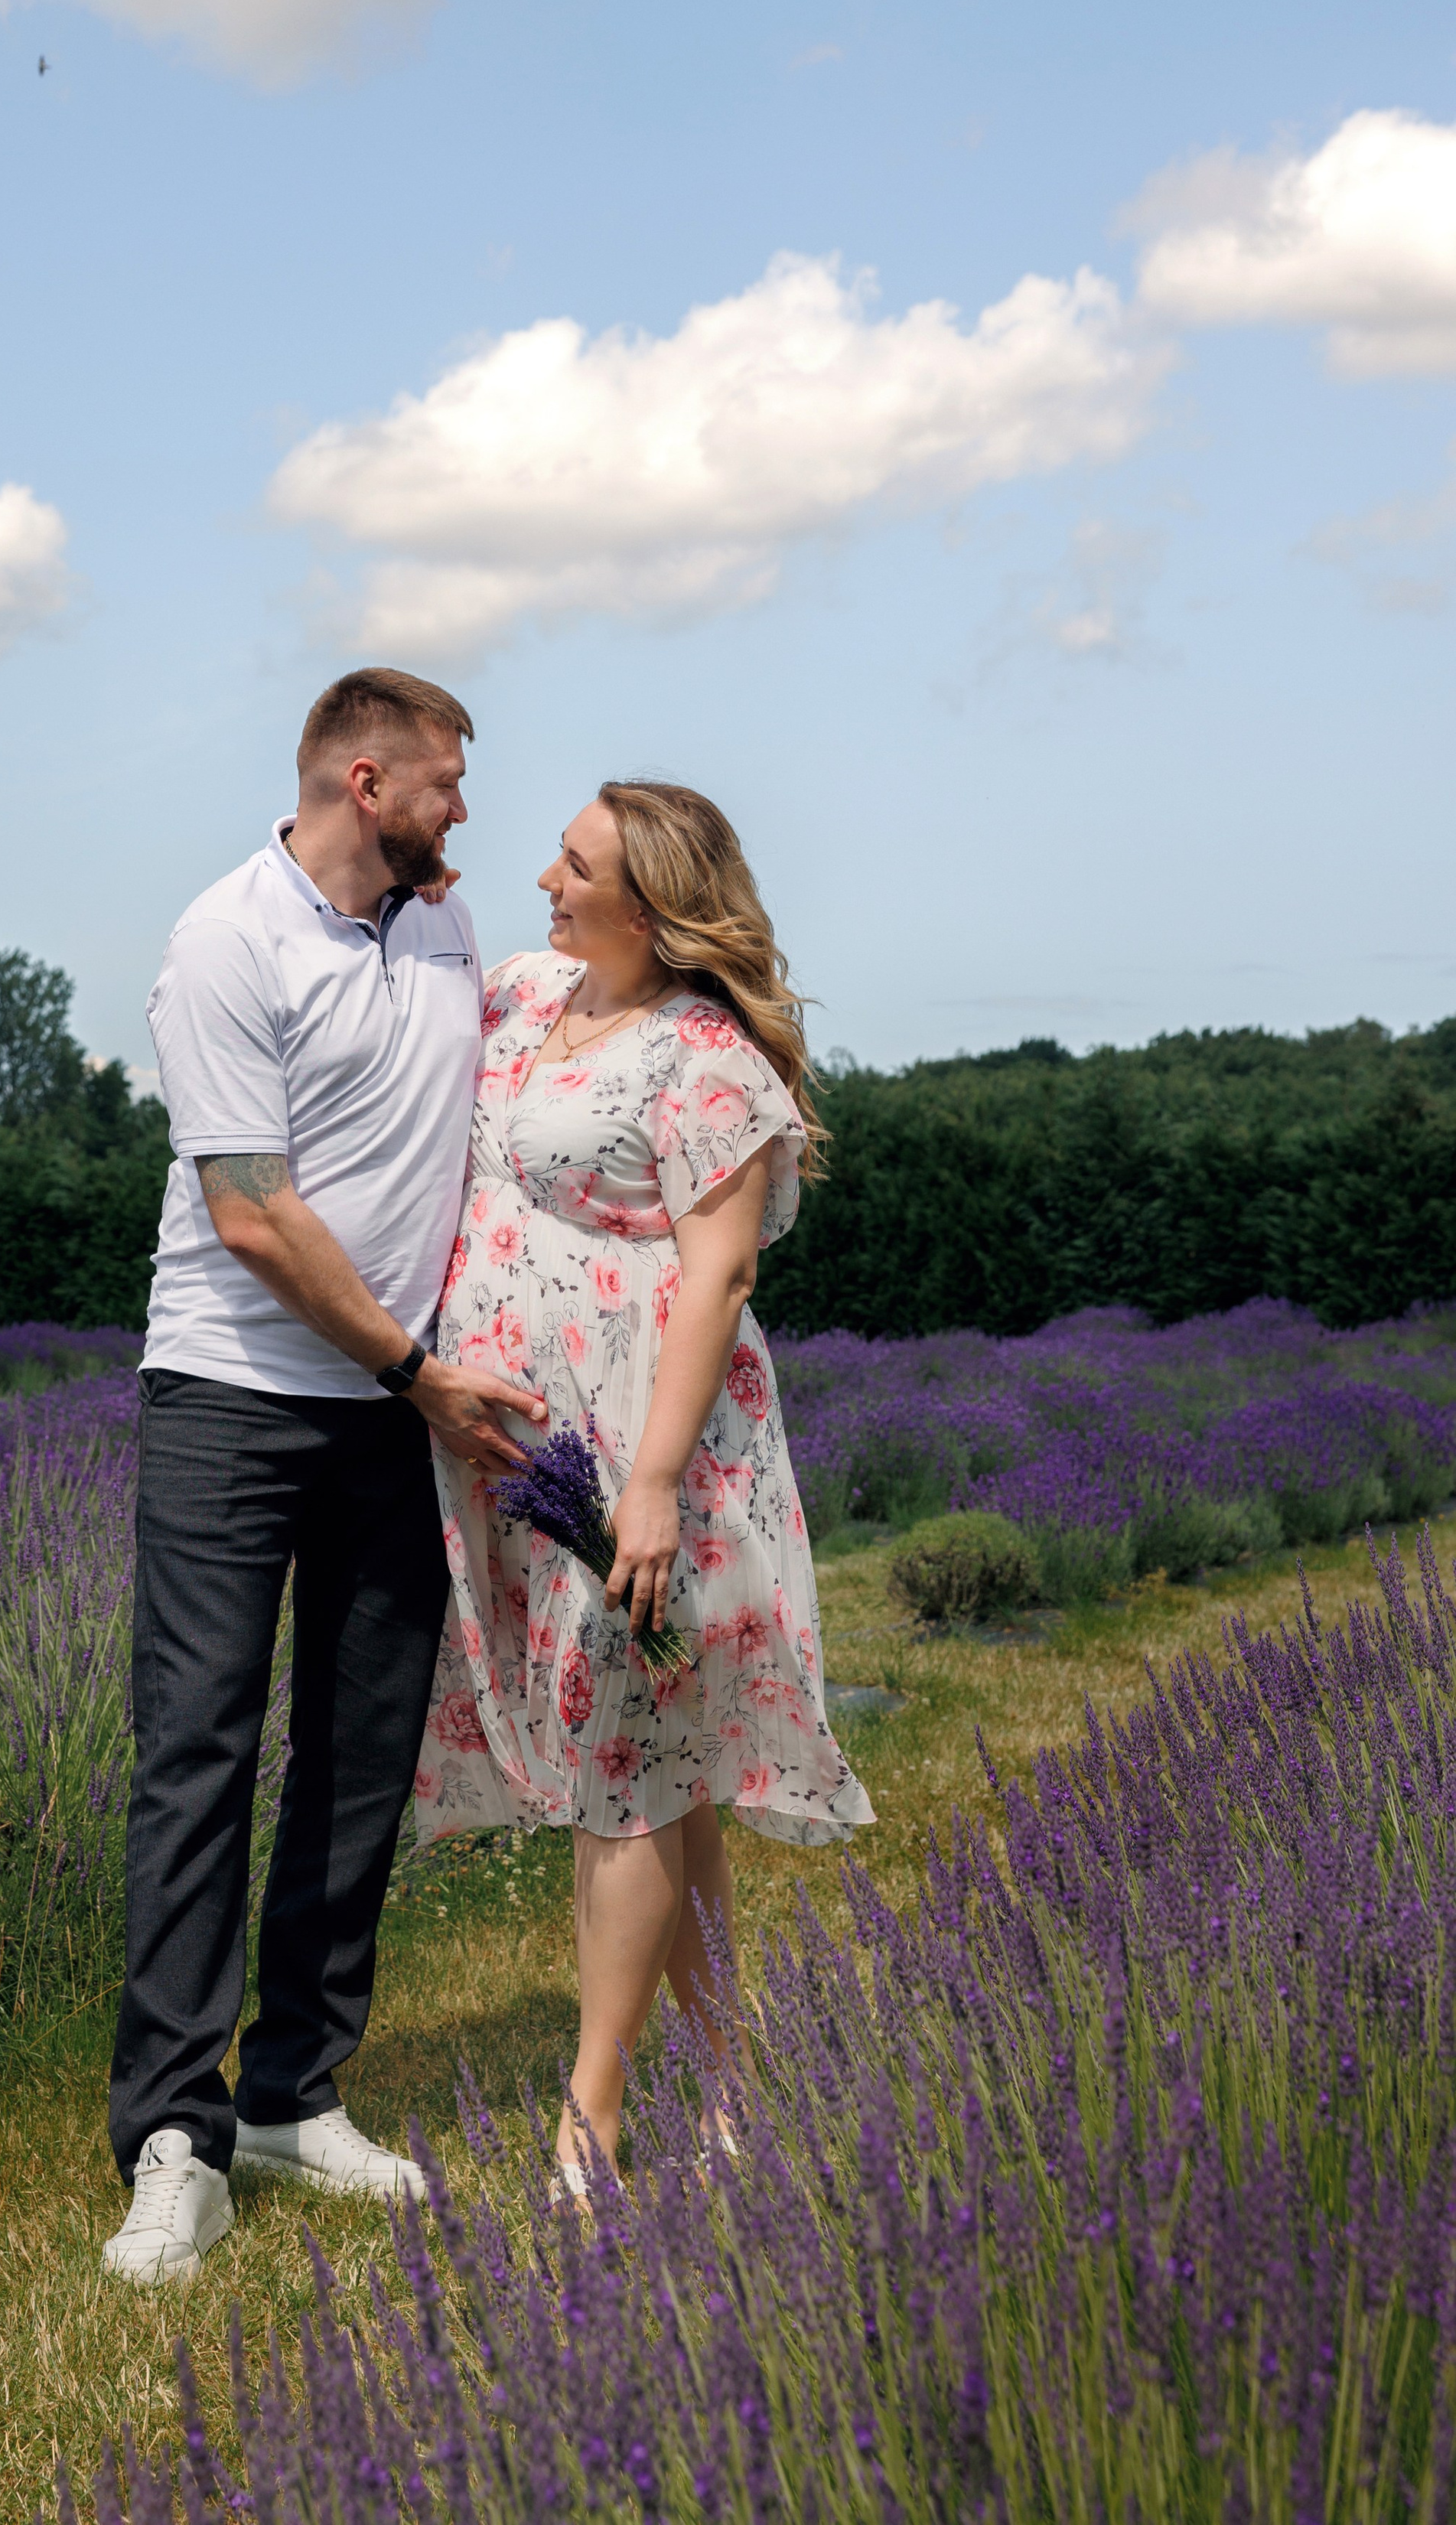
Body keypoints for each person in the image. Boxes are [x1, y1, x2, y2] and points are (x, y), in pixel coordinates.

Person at [104, 670, 546, 2288]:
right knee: (199, 1751)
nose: (461, 809)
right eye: (442, 781)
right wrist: (416, 1371)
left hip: (392, 1405)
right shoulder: (226, 940)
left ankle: (293, 2092)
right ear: (363, 780)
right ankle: (172, 2133)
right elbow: (249, 1211)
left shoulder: (439, 922)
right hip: (234, 1394)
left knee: (361, 1758)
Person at [412, 779, 873, 2193]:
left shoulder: (707, 1060)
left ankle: (592, 2119)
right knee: (661, 1774)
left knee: (625, 1766)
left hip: (642, 1457)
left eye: (575, 862)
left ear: (653, 904)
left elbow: (719, 1273)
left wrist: (655, 1486)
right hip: (530, 1451)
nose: (542, 876)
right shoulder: (533, 991)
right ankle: (728, 2087)